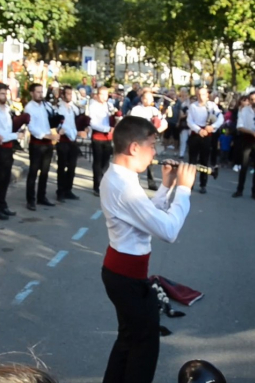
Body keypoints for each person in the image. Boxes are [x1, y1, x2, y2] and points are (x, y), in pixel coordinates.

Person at [100, 115, 196, 383]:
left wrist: (166, 185)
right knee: (144, 348)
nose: (155, 152)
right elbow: (168, 230)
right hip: (125, 278)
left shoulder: (122, 177)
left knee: (129, 339)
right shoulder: (124, 185)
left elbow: (145, 218)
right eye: (152, 145)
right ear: (133, 148)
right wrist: (184, 190)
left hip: (123, 273)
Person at [0, 82, 25, 220]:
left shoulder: (7, 109)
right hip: (0, 148)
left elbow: (9, 129)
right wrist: (15, 135)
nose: (4, 96)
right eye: (2, 93)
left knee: (6, 178)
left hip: (9, 148)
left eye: (5, 93)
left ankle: (3, 205)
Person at [24, 83, 59, 210]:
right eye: (37, 92)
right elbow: (32, 128)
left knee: (45, 172)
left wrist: (58, 127)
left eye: (41, 91)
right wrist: (46, 136)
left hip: (48, 143)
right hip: (37, 143)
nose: (40, 94)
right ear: (32, 93)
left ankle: (41, 196)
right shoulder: (29, 108)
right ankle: (30, 200)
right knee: (33, 172)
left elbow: (52, 119)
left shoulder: (46, 105)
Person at [130, 88, 169, 191]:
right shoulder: (136, 110)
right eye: (146, 98)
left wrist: (156, 131)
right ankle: (134, 182)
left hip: (150, 139)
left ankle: (151, 182)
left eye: (151, 99)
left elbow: (164, 123)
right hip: (139, 138)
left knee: (150, 161)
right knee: (136, 159)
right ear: (142, 99)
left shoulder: (154, 110)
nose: (149, 101)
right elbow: (133, 124)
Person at [185, 87, 222, 194]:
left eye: (203, 94)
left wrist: (212, 127)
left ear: (207, 95)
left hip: (207, 134)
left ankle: (203, 184)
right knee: (192, 161)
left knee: (204, 160)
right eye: (199, 94)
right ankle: (189, 183)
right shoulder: (193, 106)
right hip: (195, 134)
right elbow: (189, 121)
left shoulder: (212, 106)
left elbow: (220, 118)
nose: (201, 97)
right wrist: (198, 130)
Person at [55, 85, 85, 202]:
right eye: (67, 94)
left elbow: (78, 120)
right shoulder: (58, 108)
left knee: (72, 166)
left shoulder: (73, 107)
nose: (69, 96)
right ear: (62, 95)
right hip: (63, 140)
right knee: (62, 166)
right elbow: (57, 124)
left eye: (70, 94)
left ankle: (68, 190)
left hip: (72, 140)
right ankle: (60, 191)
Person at [89, 86, 116, 197]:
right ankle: (97, 186)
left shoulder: (108, 105)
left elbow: (112, 118)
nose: (105, 97)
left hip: (108, 137)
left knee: (106, 162)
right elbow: (93, 123)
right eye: (102, 95)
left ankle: (104, 184)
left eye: (106, 95)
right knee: (98, 162)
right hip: (98, 136)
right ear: (97, 95)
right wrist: (107, 129)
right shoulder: (93, 106)